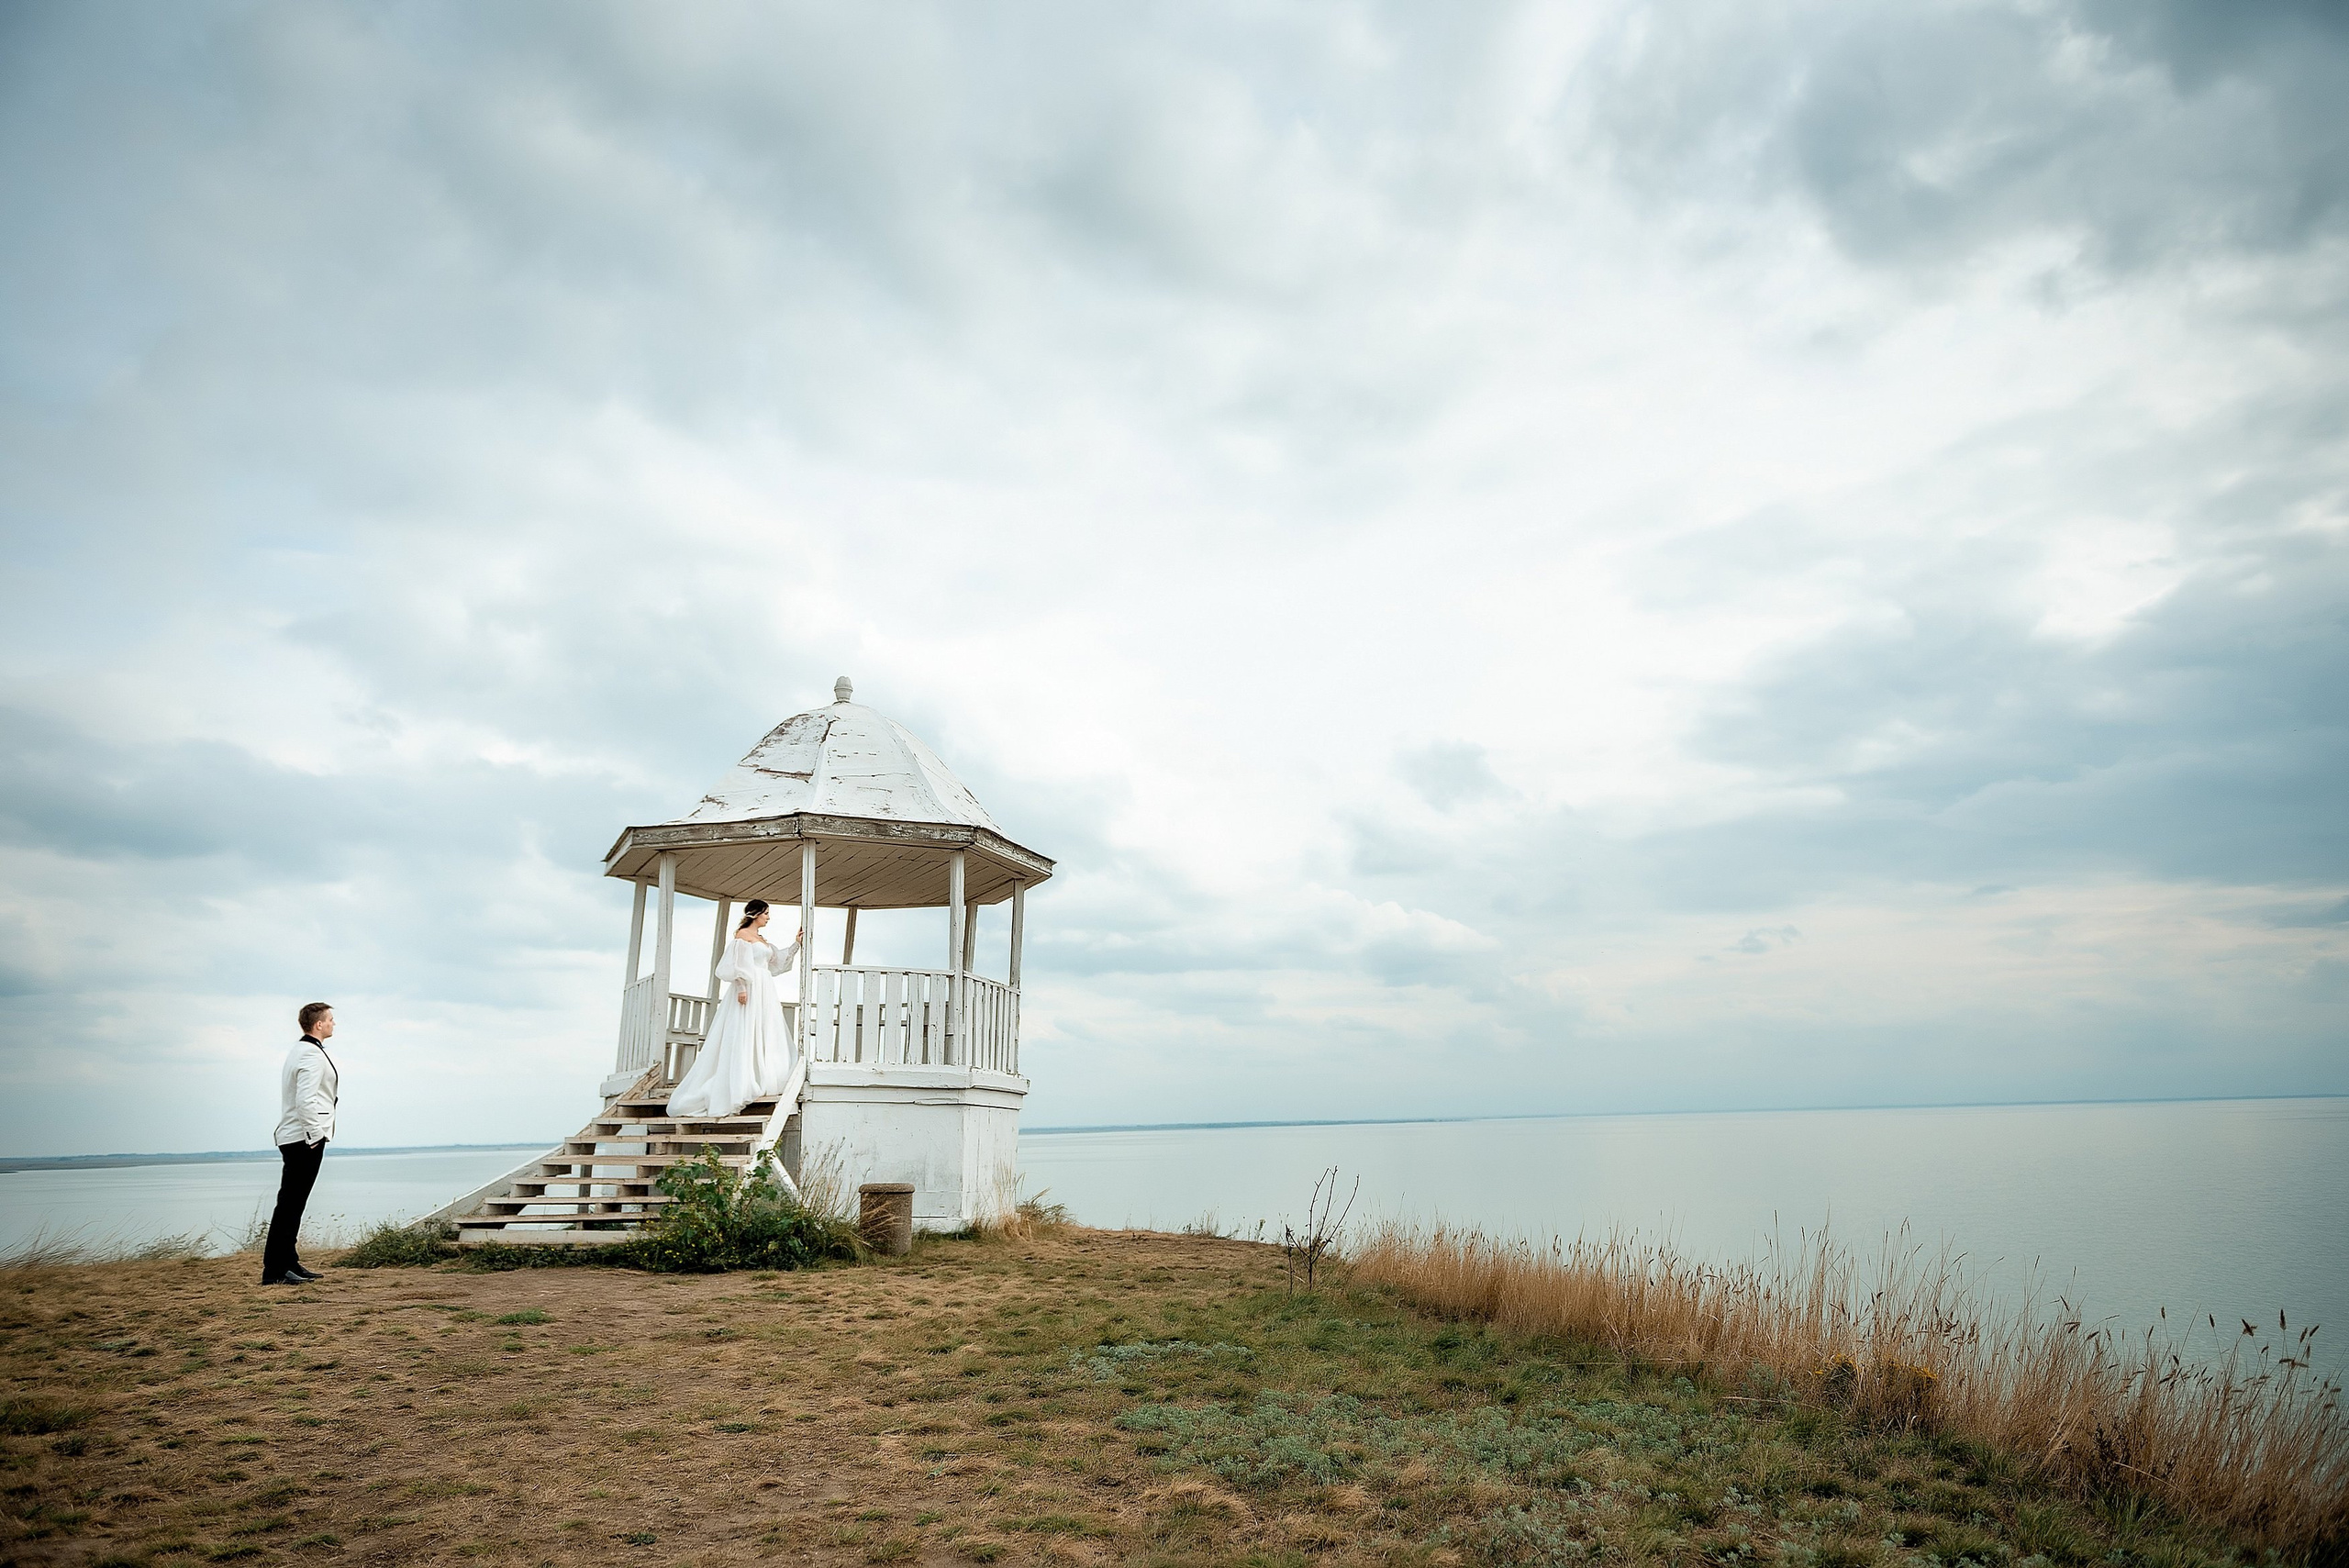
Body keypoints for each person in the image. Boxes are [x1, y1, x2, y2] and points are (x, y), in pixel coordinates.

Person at [669, 899, 800, 1118]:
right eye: (766, 913)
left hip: (765, 989)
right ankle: (740, 1081)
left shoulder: (761, 939)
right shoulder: (742, 936)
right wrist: (741, 988)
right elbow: (737, 965)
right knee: (744, 1030)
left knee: (765, 1029)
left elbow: (777, 961)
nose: (768, 917)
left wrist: (796, 944)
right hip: (750, 987)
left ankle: (763, 1073)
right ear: (756, 914)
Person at [263, 1002, 340, 1285]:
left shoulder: (302, 1050)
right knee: (290, 1205)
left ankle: (288, 1262)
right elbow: (305, 1100)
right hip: (302, 1139)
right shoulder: (310, 1054)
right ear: (318, 1024)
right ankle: (275, 1270)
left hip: (298, 1137)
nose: (333, 1023)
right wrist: (314, 1136)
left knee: (293, 1204)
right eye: (330, 1019)